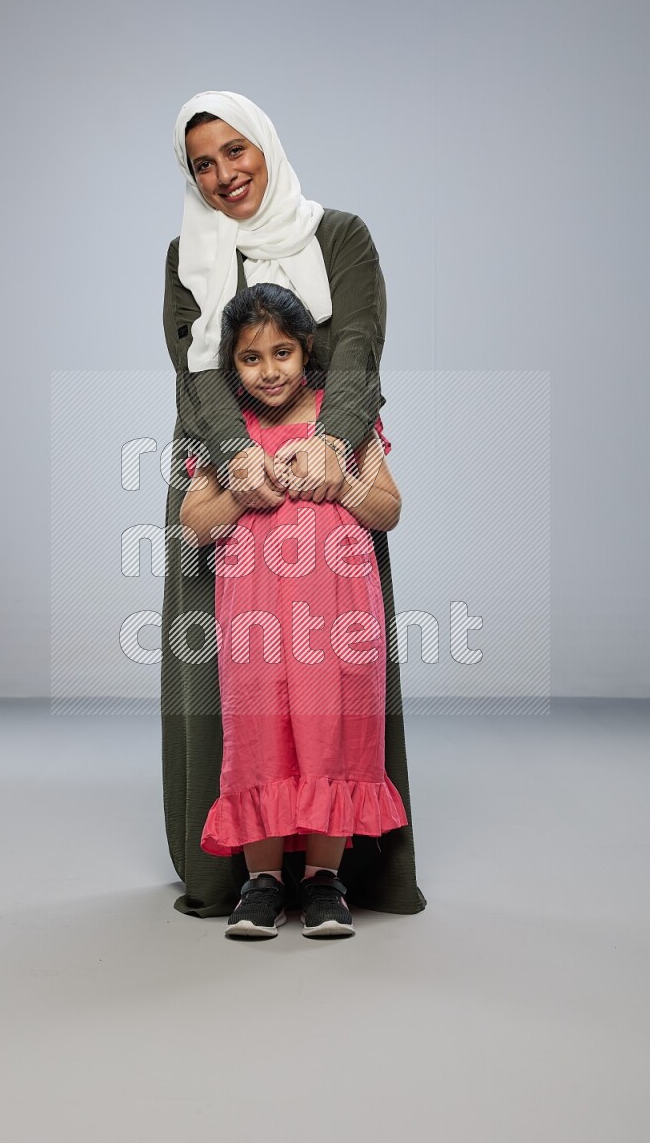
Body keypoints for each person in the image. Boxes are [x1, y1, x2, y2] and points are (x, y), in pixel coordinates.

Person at [161, 89, 426, 921]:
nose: (223, 174)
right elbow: (194, 365)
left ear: (265, 145)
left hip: (324, 462)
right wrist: (232, 457)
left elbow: (359, 345)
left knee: (330, 680)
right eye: (203, 164)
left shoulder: (338, 235)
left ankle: (336, 872)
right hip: (226, 462)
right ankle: (243, 875)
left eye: (235, 150)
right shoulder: (187, 254)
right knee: (237, 683)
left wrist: (335, 445)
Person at [180, 284, 408, 938]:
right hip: (253, 615)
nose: (270, 370)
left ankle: (323, 880)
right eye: (251, 358)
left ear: (307, 349)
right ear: (233, 365)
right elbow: (194, 523)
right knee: (260, 732)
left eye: (282, 352)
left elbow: (389, 509)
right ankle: (263, 882)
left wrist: (342, 482)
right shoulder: (232, 435)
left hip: (339, 614)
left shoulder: (341, 421)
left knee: (332, 729)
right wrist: (241, 495)